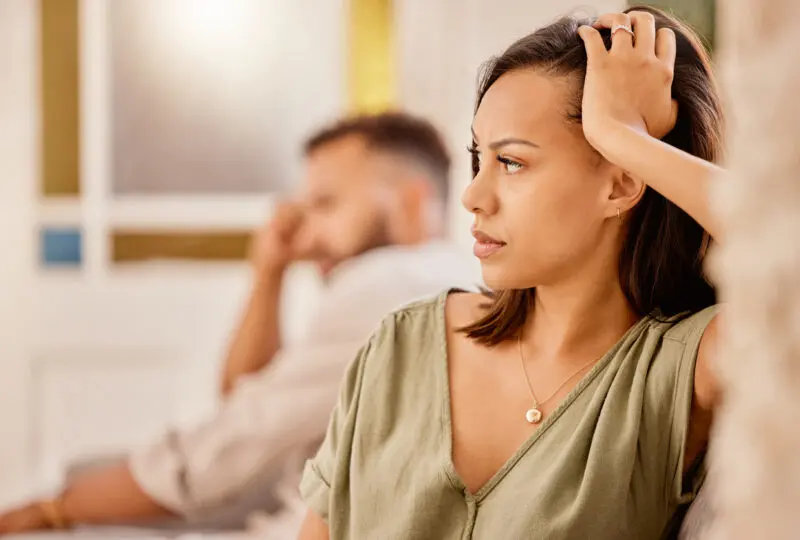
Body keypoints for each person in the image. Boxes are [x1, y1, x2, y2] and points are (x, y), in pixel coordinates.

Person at [297, 6, 725, 540]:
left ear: (620, 184)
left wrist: (625, 140)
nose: (473, 196)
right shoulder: (400, 347)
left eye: (512, 162)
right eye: (480, 158)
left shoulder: (680, 371)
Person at [0, 112, 481, 536]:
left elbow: (219, 453)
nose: (305, 233)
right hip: (301, 510)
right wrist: (269, 272)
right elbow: (248, 404)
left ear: (411, 204)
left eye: (326, 204)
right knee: (92, 477)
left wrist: (51, 511)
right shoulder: (451, 279)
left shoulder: (385, 286)